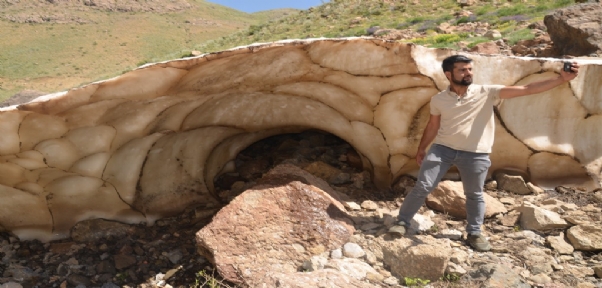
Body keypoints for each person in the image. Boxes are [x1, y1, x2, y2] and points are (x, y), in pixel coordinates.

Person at [388, 55, 579, 251]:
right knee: (423, 186)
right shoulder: (439, 99)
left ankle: (474, 233)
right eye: (462, 70)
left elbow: (526, 89)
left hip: (475, 154)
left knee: (474, 194)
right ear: (449, 74)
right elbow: (432, 125)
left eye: (470, 69)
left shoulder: (486, 92)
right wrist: (422, 148)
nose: (468, 73)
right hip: (442, 150)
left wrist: (561, 79)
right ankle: (402, 222)